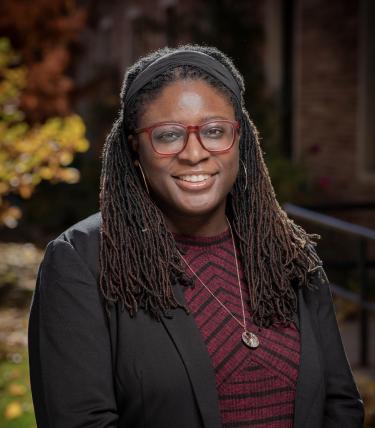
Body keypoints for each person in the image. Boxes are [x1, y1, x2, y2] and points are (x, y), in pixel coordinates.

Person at [28, 45, 364, 428]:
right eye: (168, 135)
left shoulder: (288, 255)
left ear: (241, 139)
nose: (194, 153)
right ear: (135, 147)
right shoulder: (81, 261)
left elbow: (340, 406)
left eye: (215, 131)